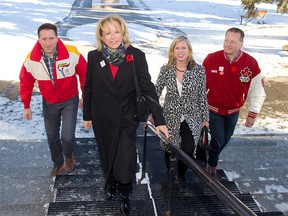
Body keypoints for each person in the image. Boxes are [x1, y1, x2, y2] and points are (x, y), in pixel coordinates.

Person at [82, 15, 169, 216]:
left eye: (117, 31)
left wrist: (160, 120)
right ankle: (110, 182)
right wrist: (87, 114)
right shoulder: (94, 57)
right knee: (107, 155)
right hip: (102, 117)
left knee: (125, 157)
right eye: (108, 33)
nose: (113, 37)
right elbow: (88, 87)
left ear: (124, 33)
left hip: (127, 117)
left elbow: (148, 89)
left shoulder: (136, 56)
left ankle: (124, 192)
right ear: (101, 36)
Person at [19, 23, 87, 178]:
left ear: (57, 38)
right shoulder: (31, 59)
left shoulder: (71, 53)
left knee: (67, 137)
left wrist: (85, 97)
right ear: (39, 39)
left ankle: (68, 156)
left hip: (70, 100)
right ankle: (58, 163)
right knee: (52, 137)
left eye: (51, 38)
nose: (48, 42)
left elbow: (85, 74)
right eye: (44, 38)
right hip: (49, 102)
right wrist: (26, 105)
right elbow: (25, 81)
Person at [202, 27, 266, 177]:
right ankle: (211, 165)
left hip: (233, 113)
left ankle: (207, 155)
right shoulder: (211, 59)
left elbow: (257, 91)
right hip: (213, 110)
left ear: (241, 43)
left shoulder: (250, 63)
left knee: (225, 140)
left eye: (233, 41)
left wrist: (253, 113)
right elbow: (199, 85)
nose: (228, 44)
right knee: (218, 141)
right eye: (226, 40)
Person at [155, 35, 209, 191]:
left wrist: (205, 119)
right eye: (177, 48)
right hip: (170, 116)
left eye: (183, 48)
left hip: (191, 116)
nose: (180, 51)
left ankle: (181, 172)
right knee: (169, 147)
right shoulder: (166, 70)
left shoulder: (198, 70)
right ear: (172, 51)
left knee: (188, 148)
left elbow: (202, 96)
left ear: (189, 50)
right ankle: (170, 172)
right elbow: (155, 92)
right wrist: (153, 113)